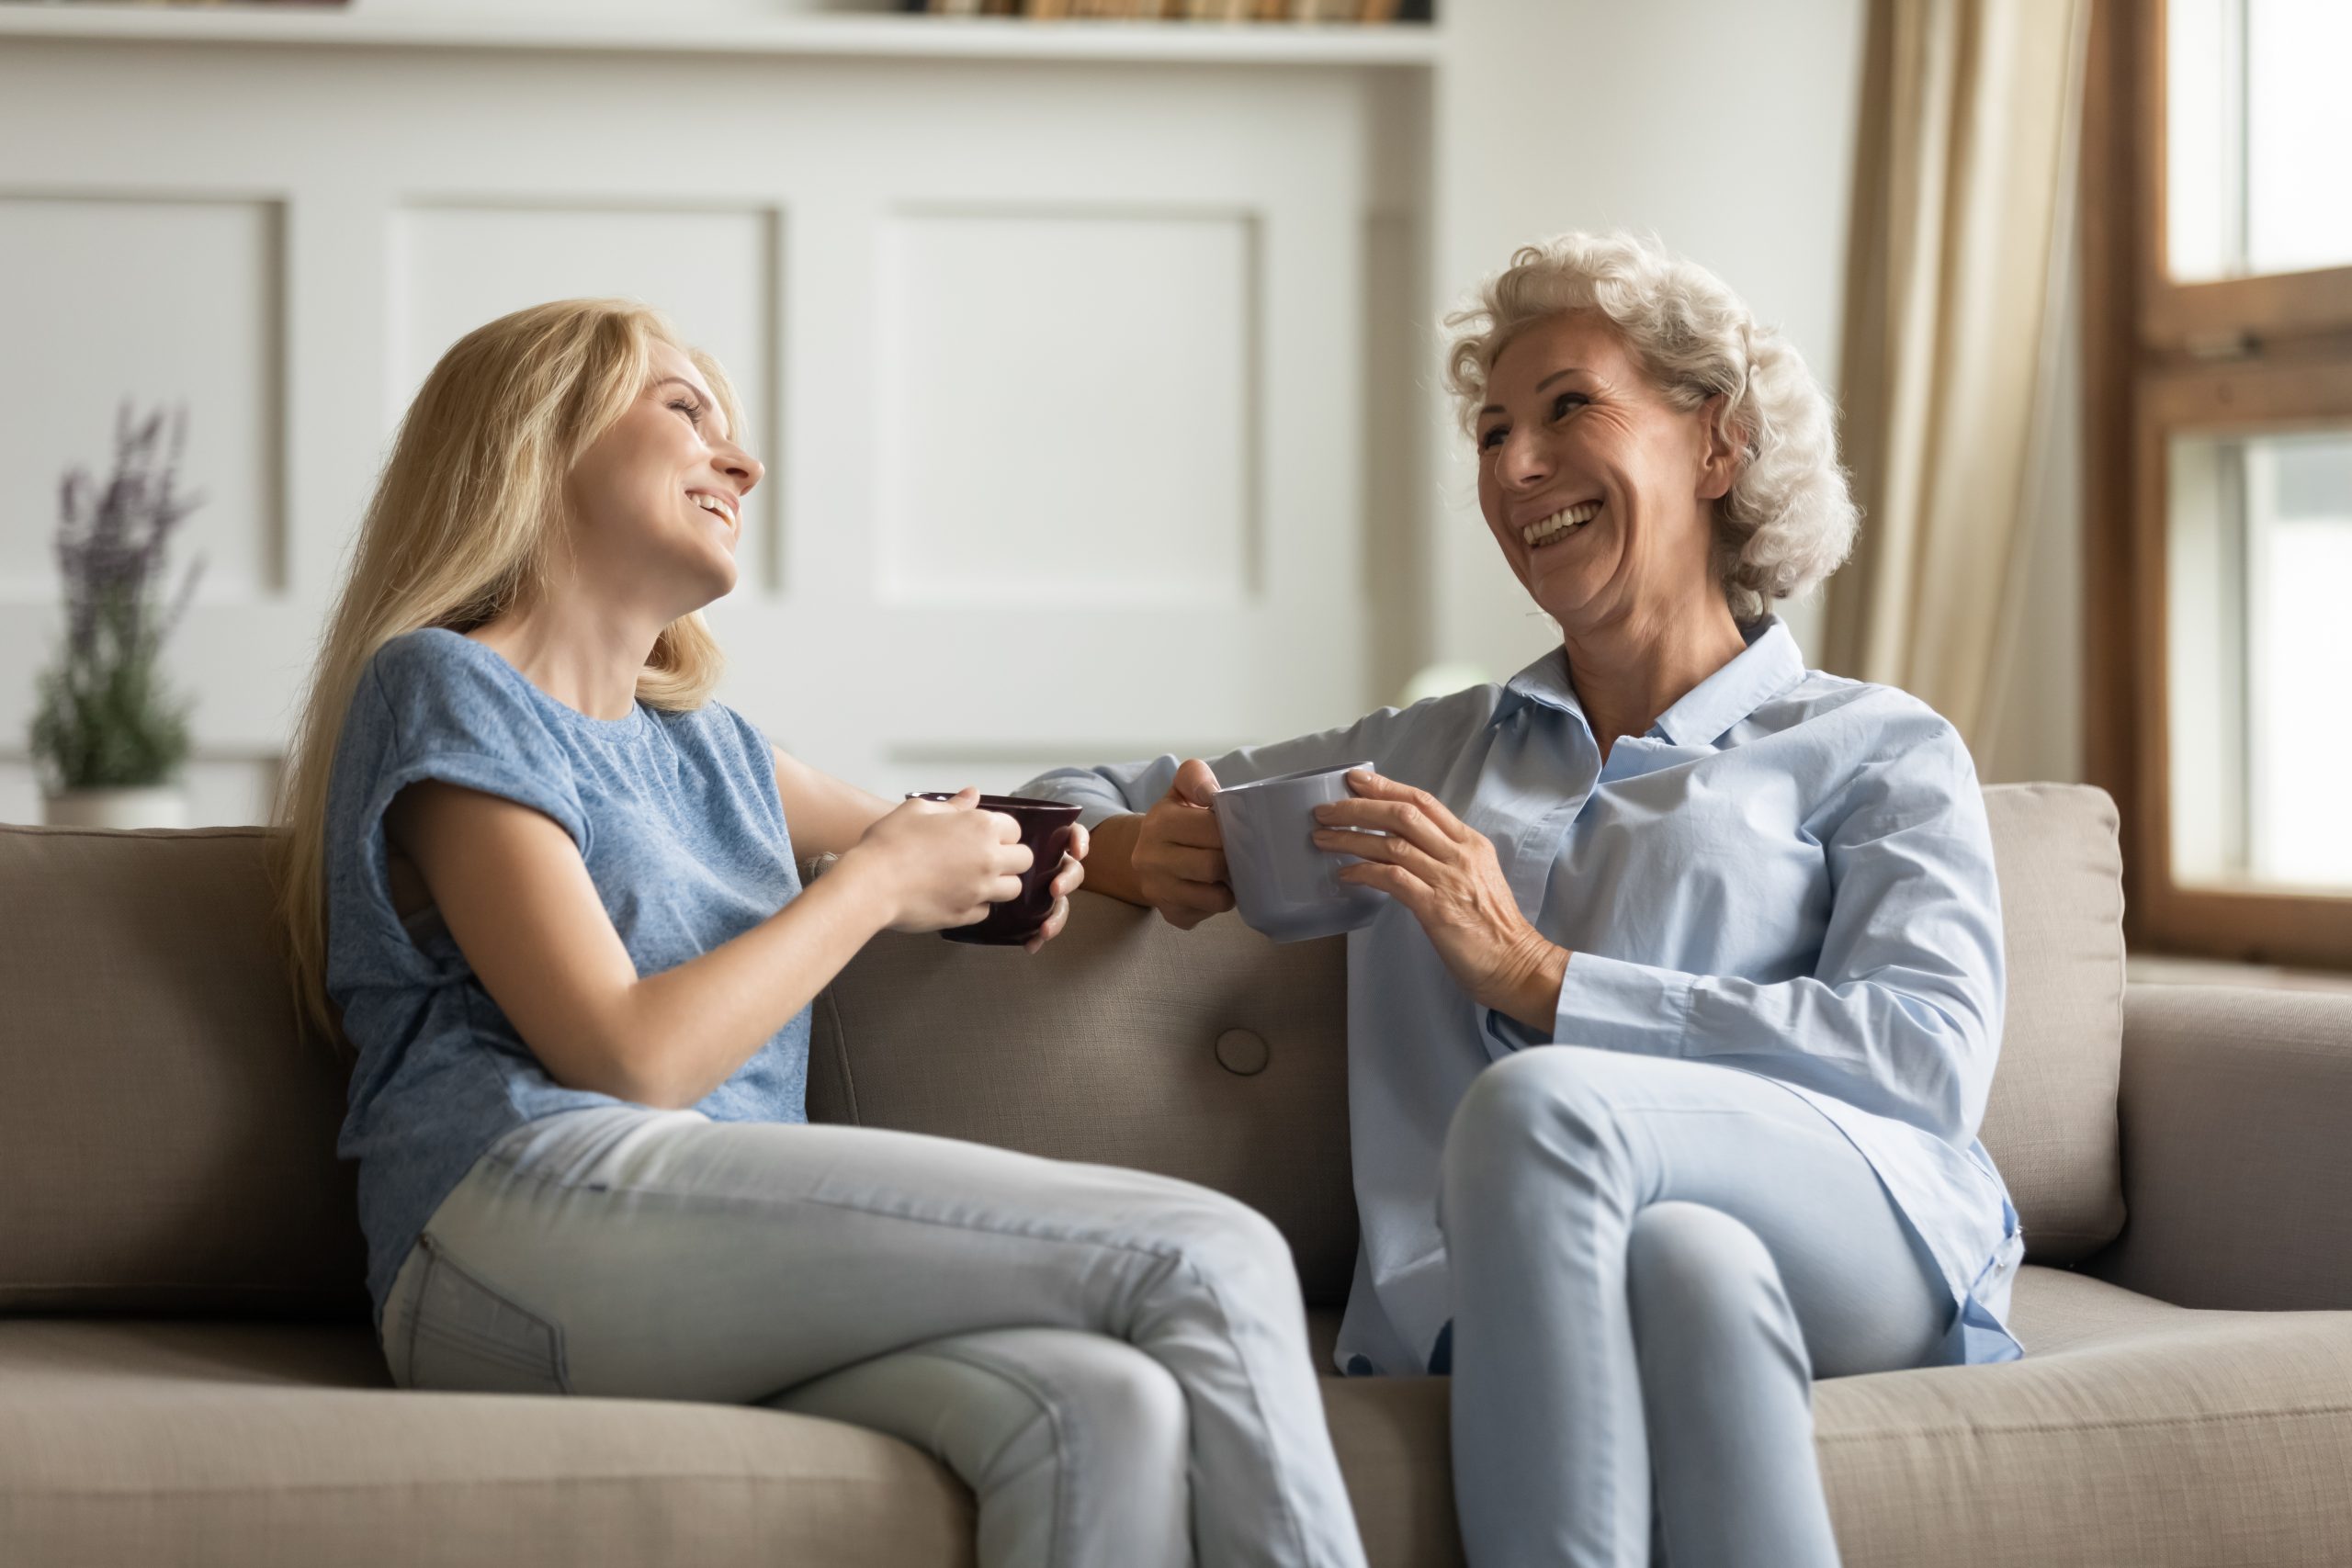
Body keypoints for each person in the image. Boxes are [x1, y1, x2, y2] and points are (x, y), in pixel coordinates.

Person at [267, 299, 1370, 1568]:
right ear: (535, 442)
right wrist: (868, 887)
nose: (742, 461)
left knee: (1095, 1407)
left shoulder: (714, 751)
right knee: (1212, 1255)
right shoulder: (443, 685)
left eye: (732, 430)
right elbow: (626, 1056)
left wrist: (1131, 851)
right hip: (512, 1226)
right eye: (684, 411)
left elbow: (952, 832)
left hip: (681, 1264)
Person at [1022, 232, 2024, 1568]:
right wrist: (1138, 849)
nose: (1512, 465)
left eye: (1568, 408)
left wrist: (1543, 980)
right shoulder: (1427, 757)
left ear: (1717, 446)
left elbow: (1926, 1059)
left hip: (1869, 1225)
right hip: (1518, 1284)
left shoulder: (1878, 747)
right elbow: (1052, 795)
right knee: (1694, 1275)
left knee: (1544, 1106)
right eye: (1491, 433)